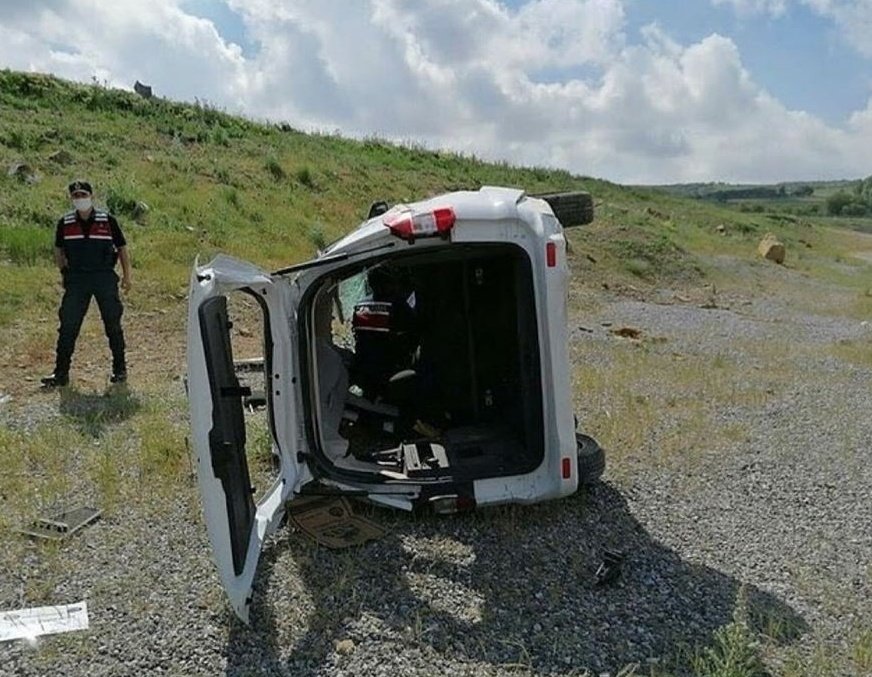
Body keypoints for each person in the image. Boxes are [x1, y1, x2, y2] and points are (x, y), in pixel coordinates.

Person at [41, 180, 132, 388]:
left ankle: (120, 370)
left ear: (91, 196)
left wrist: (127, 276)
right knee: (68, 326)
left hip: (103, 277)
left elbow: (122, 248)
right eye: (76, 196)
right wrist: (64, 271)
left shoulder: (107, 220)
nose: (80, 199)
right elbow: (58, 250)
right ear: (71, 199)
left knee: (113, 324)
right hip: (78, 279)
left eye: (83, 194)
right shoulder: (65, 223)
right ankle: (60, 374)